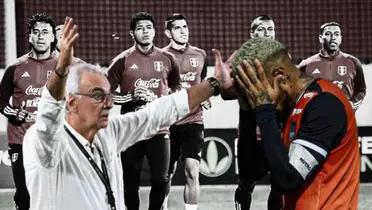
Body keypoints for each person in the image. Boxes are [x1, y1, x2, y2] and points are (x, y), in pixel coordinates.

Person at [23, 17, 233, 210]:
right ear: (72, 102)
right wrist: (61, 69)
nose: (108, 102)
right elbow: (48, 115)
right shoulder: (44, 141)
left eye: (108, 94)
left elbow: (157, 112)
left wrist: (213, 84)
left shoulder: (109, 132)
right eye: (97, 96)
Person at [233, 37, 359, 210]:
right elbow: (251, 172)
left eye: (257, 85)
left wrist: (264, 110)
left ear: (279, 76)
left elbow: (288, 180)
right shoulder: (286, 107)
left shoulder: (325, 105)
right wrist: (246, 108)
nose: (256, 93)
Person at [106, 12, 184, 210]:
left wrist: (161, 101)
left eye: (149, 27)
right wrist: (130, 97)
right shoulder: (122, 60)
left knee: (161, 179)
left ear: (155, 31)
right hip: (131, 130)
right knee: (130, 182)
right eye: (140, 28)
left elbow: (176, 90)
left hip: (159, 129)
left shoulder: (168, 59)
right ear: (132, 33)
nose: (145, 32)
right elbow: (104, 94)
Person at [0, 13, 58, 210]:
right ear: (30, 37)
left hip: (51, 140)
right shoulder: (15, 68)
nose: (40, 36)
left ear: (52, 37)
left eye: (45, 32)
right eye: (36, 32)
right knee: (24, 194)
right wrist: (13, 113)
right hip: (20, 140)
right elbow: (1, 102)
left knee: (52, 194)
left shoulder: (63, 68)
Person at [221, 15, 277, 210]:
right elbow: (225, 92)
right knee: (247, 184)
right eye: (262, 29)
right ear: (252, 33)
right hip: (249, 132)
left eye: (270, 29)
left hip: (275, 131)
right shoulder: (239, 56)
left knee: (278, 184)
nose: (267, 33)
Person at [162, 14, 208, 210]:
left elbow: (202, 82)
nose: (183, 31)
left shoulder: (200, 54)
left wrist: (205, 97)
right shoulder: (162, 56)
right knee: (166, 174)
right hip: (168, 123)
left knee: (192, 170)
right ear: (168, 33)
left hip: (193, 121)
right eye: (178, 28)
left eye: (185, 26)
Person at [298, 22, 366, 111]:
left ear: (341, 38)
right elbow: (294, 91)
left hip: (344, 118)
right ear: (320, 38)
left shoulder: (353, 62)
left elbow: (361, 89)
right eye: (328, 34)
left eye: (336, 34)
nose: (333, 38)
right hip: (316, 119)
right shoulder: (307, 64)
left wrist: (352, 103)